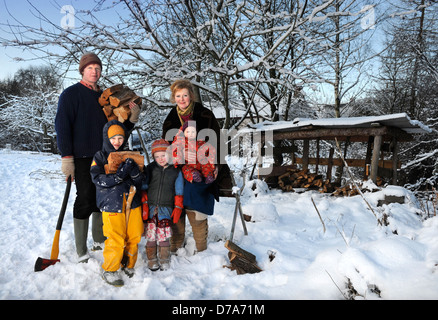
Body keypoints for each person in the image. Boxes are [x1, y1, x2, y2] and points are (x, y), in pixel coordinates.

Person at [55, 52, 140, 262]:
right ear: (82, 70)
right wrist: (67, 157)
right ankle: (80, 248)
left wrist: (132, 118)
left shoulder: (107, 98)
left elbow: (116, 130)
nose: (94, 71)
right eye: (90, 68)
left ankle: (98, 239)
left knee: (103, 198)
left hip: (107, 157)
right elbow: (62, 126)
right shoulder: (70, 94)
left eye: (98, 68)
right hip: (83, 156)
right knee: (85, 198)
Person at [162, 79, 232, 254]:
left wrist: (215, 165)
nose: (182, 99)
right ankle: (176, 241)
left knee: (196, 191)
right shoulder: (170, 119)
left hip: (203, 165)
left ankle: (200, 243)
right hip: (178, 167)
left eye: (185, 95)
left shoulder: (205, 115)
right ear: (174, 97)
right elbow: (166, 147)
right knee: (173, 193)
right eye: (178, 96)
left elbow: (218, 143)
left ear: (191, 96)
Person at [90, 120, 145, 287]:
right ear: (107, 138)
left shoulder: (131, 155)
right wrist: (117, 177)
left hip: (131, 201)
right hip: (111, 203)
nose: (117, 142)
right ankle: (111, 269)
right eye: (113, 138)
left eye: (120, 138)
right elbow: (97, 178)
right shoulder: (100, 156)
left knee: (134, 234)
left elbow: (141, 180)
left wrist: (135, 172)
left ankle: (129, 263)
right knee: (115, 237)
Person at [141, 139, 184, 271]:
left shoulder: (176, 171)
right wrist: (144, 202)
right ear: (153, 157)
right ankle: (152, 259)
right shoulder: (150, 169)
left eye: (163, 155)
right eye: (157, 156)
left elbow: (179, 190)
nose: (160, 159)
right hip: (151, 208)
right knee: (151, 236)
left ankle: (164, 259)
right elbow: (144, 186)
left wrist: (178, 207)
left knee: (163, 236)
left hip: (166, 208)